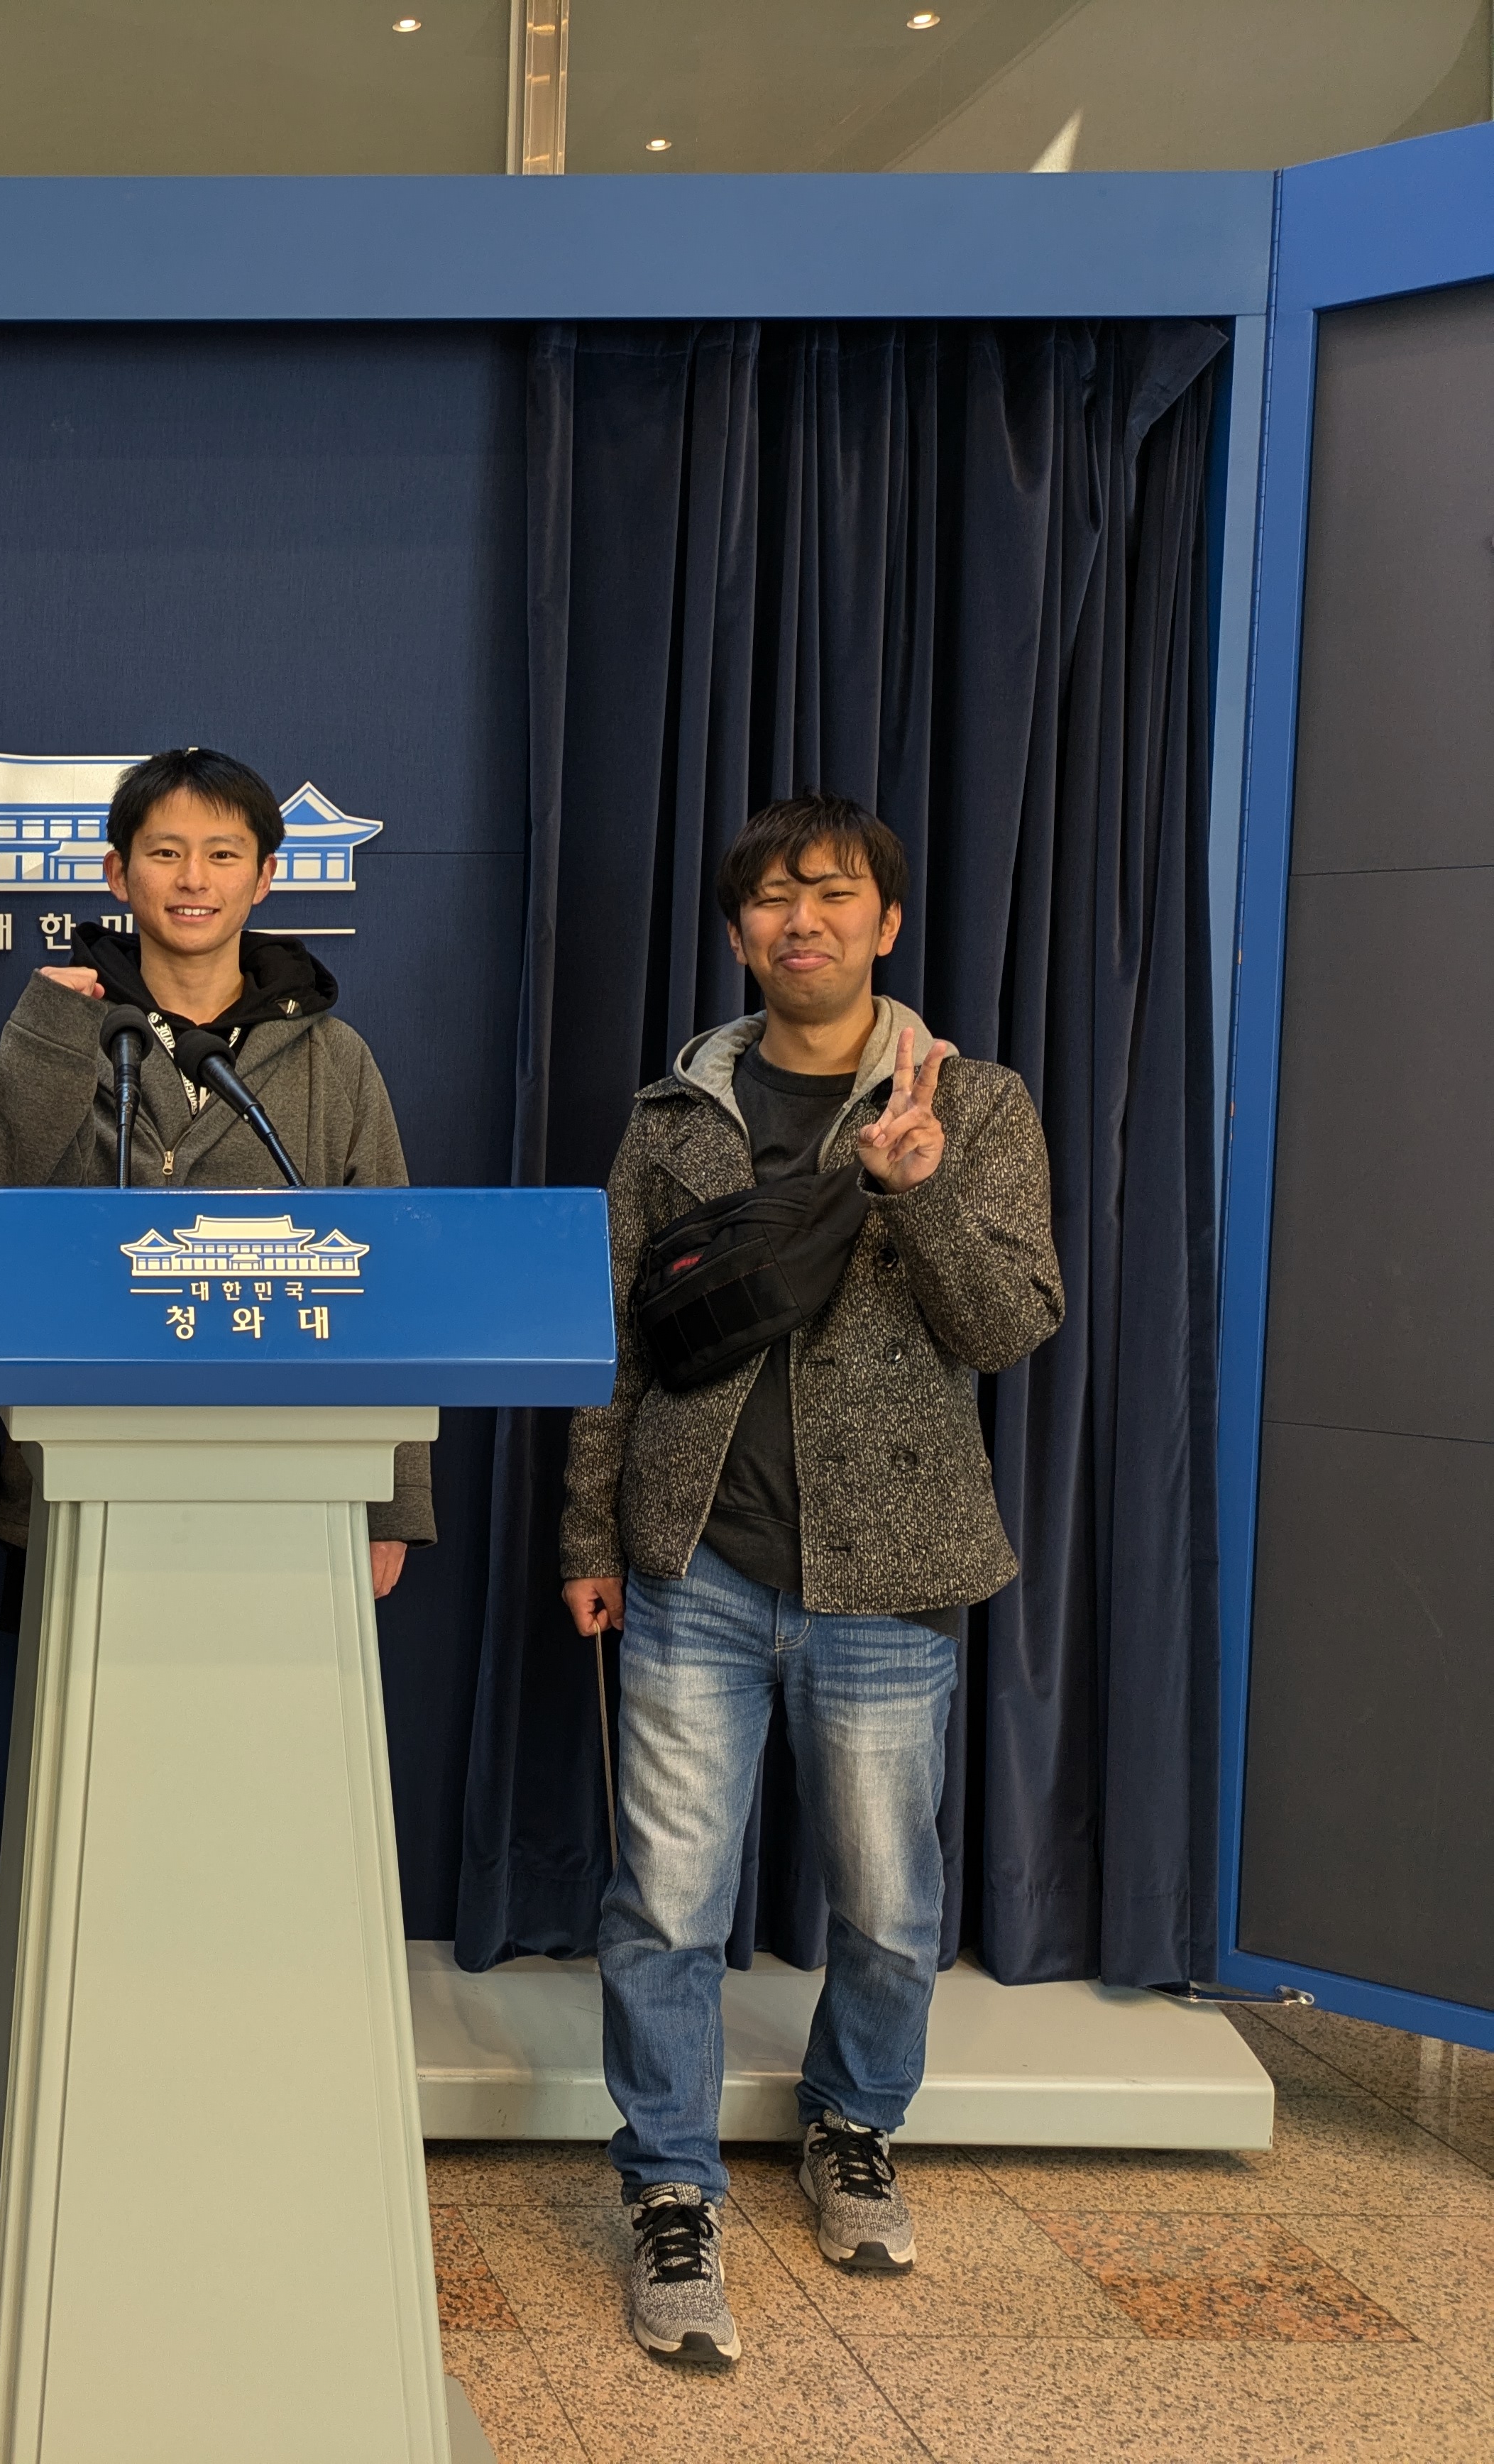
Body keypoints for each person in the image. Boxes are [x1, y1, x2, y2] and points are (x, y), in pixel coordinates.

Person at [559, 794, 1063, 2367]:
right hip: (693, 1563)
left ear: (883, 922)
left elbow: (1009, 1324)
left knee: (888, 1904)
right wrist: (588, 1537)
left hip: (888, 1576)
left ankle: (852, 2122)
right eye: (772, 898)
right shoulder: (672, 1116)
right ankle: (668, 2182)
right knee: (662, 1901)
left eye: (832, 893)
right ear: (735, 934)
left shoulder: (971, 1102)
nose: (802, 919)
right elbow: (610, 1341)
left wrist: (914, 1188)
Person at [0, 742, 433, 1589]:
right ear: (117, 872)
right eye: (165, 852)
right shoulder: (64, 1027)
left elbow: (389, 1278)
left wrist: (393, 1498)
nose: (192, 879)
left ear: (263, 877)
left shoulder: (333, 1057)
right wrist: (45, 1039)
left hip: (290, 1479)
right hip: (82, 1477)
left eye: (221, 854)